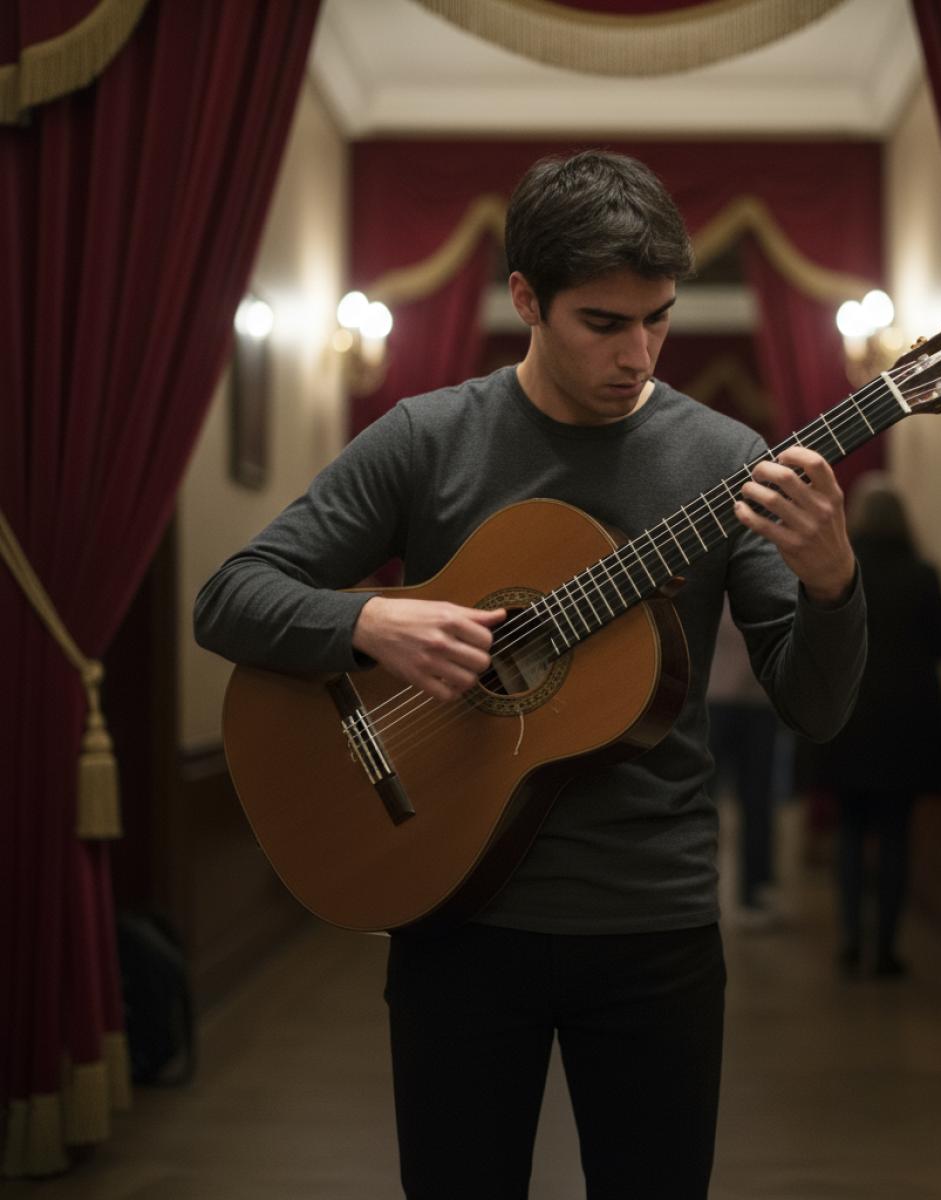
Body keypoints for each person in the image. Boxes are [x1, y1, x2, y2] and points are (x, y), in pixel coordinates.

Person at [194, 149, 867, 1199]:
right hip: (453, 910)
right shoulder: (429, 438)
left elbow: (814, 708)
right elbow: (229, 596)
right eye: (604, 322)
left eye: (658, 319)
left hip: (654, 926)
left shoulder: (728, 459)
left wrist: (833, 585)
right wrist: (371, 621)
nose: (638, 353)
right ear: (525, 299)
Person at [817, 472, 941, 980]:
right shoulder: (922, 574)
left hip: (849, 718)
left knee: (852, 832)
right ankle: (887, 949)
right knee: (896, 834)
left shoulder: (842, 572)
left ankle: (850, 941)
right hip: (908, 723)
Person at [707, 598, 792, 930]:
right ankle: (699, 888)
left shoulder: (767, 583)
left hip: (759, 706)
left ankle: (755, 892)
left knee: (758, 802)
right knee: (704, 801)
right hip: (716, 703)